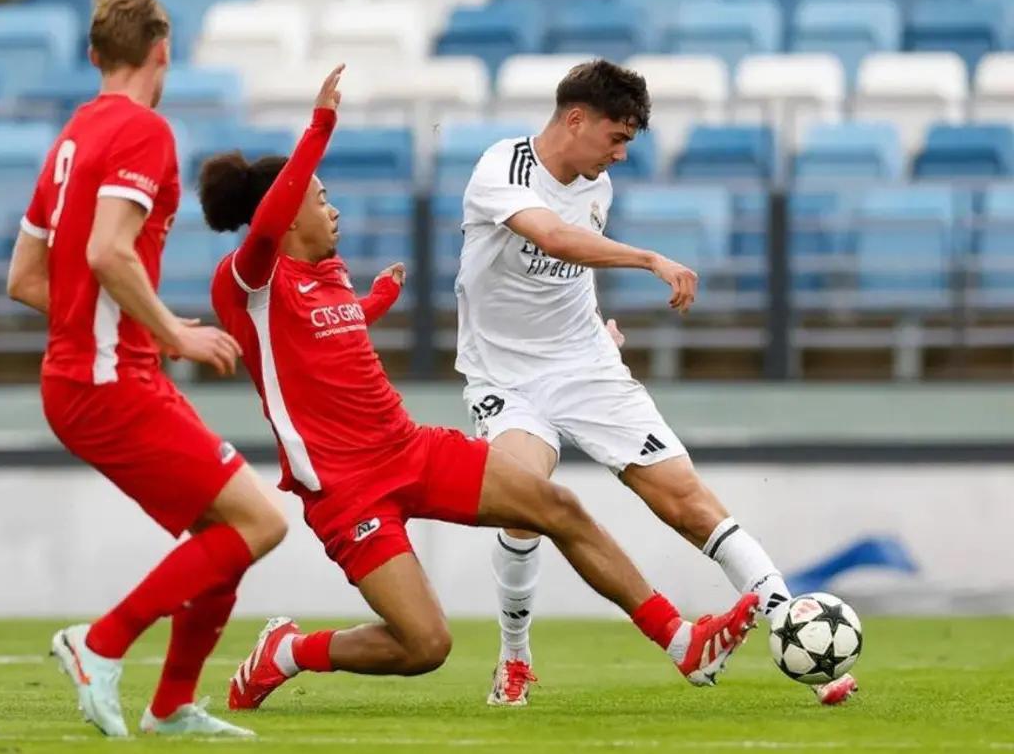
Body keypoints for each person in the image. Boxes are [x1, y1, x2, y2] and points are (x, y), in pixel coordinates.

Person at [204, 64, 759, 711]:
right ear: (285, 210)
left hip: (406, 448)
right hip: (344, 488)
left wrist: (376, 300)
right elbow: (270, 233)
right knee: (425, 645)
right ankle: (290, 652)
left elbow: (328, 330)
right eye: (319, 198)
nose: (332, 209)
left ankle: (681, 640)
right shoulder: (247, 280)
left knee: (557, 507)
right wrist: (321, 126)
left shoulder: (328, 273)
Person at [453, 58, 857, 707]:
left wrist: (594, 332)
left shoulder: (598, 188)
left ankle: (795, 629)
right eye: (615, 138)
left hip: (586, 368)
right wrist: (649, 258)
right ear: (576, 119)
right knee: (526, 501)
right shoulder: (503, 168)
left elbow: (568, 278)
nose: (620, 154)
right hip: (504, 376)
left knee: (687, 500)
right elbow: (554, 239)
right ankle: (515, 656)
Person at [5, 0, 284, 738]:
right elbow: (107, 251)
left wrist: (129, 327)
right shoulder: (146, 132)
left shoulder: (71, 138)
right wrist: (171, 331)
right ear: (163, 52)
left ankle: (171, 708)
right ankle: (100, 642)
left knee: (227, 533)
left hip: (89, 374)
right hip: (106, 381)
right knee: (261, 523)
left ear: (95, 54)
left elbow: (24, 278)